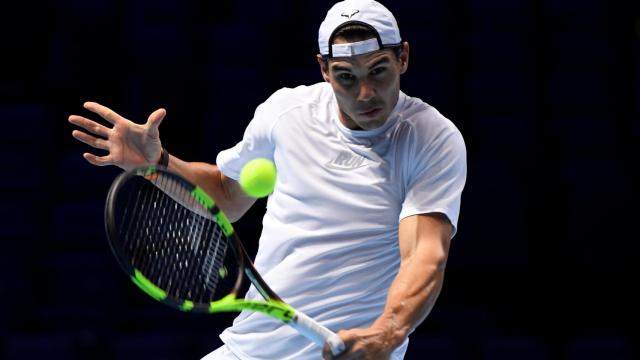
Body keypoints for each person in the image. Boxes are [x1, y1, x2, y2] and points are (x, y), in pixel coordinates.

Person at [68, 0, 467, 359]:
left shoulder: (431, 138)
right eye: (347, 76)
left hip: (356, 353)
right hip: (251, 348)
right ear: (324, 69)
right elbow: (226, 195)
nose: (365, 92)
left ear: (404, 58)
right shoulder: (286, 114)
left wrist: (387, 332)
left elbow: (424, 254)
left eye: (378, 71)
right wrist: (157, 161)